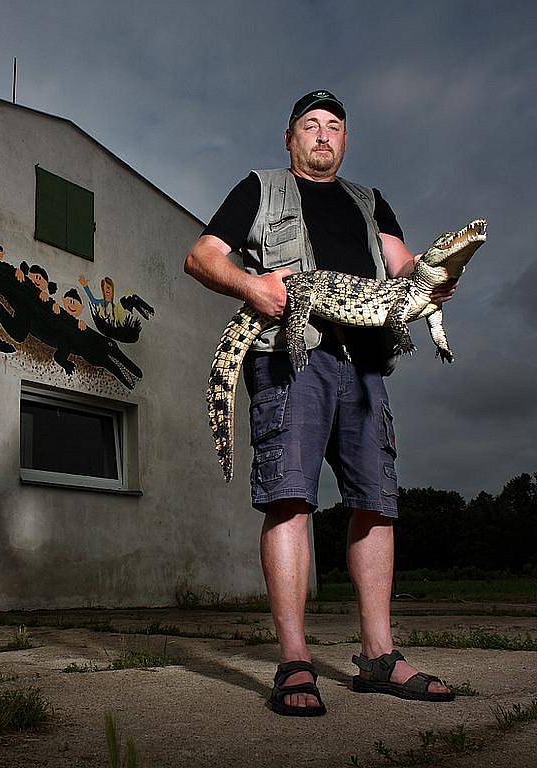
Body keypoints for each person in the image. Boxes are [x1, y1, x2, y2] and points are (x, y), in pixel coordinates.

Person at [184, 90, 457, 716]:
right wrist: (252, 285)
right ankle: (295, 661)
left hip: (364, 363)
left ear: (346, 139)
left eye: (335, 126)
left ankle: (378, 657)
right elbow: (201, 256)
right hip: (288, 356)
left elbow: (405, 265)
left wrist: (434, 280)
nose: (323, 135)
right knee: (290, 499)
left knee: (377, 504)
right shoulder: (261, 187)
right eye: (311, 125)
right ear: (290, 138)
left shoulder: (369, 201)